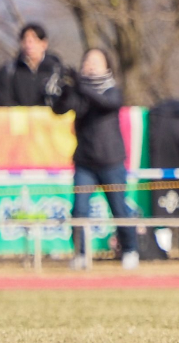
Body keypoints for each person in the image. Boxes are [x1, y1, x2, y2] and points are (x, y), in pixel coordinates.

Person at [51, 48, 139, 269]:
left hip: (111, 161)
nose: (90, 65)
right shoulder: (78, 91)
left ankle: (130, 250)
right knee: (79, 209)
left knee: (119, 210)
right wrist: (63, 88)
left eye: (96, 61)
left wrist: (80, 85)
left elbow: (106, 104)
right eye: (87, 61)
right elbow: (59, 110)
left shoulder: (112, 90)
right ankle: (80, 254)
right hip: (84, 163)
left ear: (107, 66)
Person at [0, 22, 64, 106]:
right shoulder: (9, 71)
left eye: (34, 40)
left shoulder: (56, 70)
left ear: (44, 44)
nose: (29, 45)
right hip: (19, 118)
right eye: (25, 41)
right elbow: (4, 102)